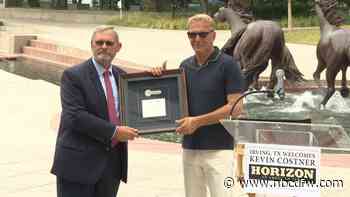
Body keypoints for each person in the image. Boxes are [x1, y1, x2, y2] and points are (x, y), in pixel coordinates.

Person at [151, 14, 244, 197]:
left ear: (213, 35)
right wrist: (159, 79)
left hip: (220, 150)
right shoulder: (184, 66)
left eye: (202, 34)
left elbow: (236, 107)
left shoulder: (228, 65)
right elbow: (175, 102)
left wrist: (197, 122)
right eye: (192, 35)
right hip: (191, 147)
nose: (197, 39)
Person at [51, 26, 139, 197]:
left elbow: (135, 106)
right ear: (91, 45)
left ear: (118, 47)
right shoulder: (73, 75)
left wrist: (156, 78)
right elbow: (74, 116)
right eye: (99, 42)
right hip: (78, 164)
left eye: (109, 43)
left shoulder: (122, 77)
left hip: (112, 165)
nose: (104, 46)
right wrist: (114, 132)